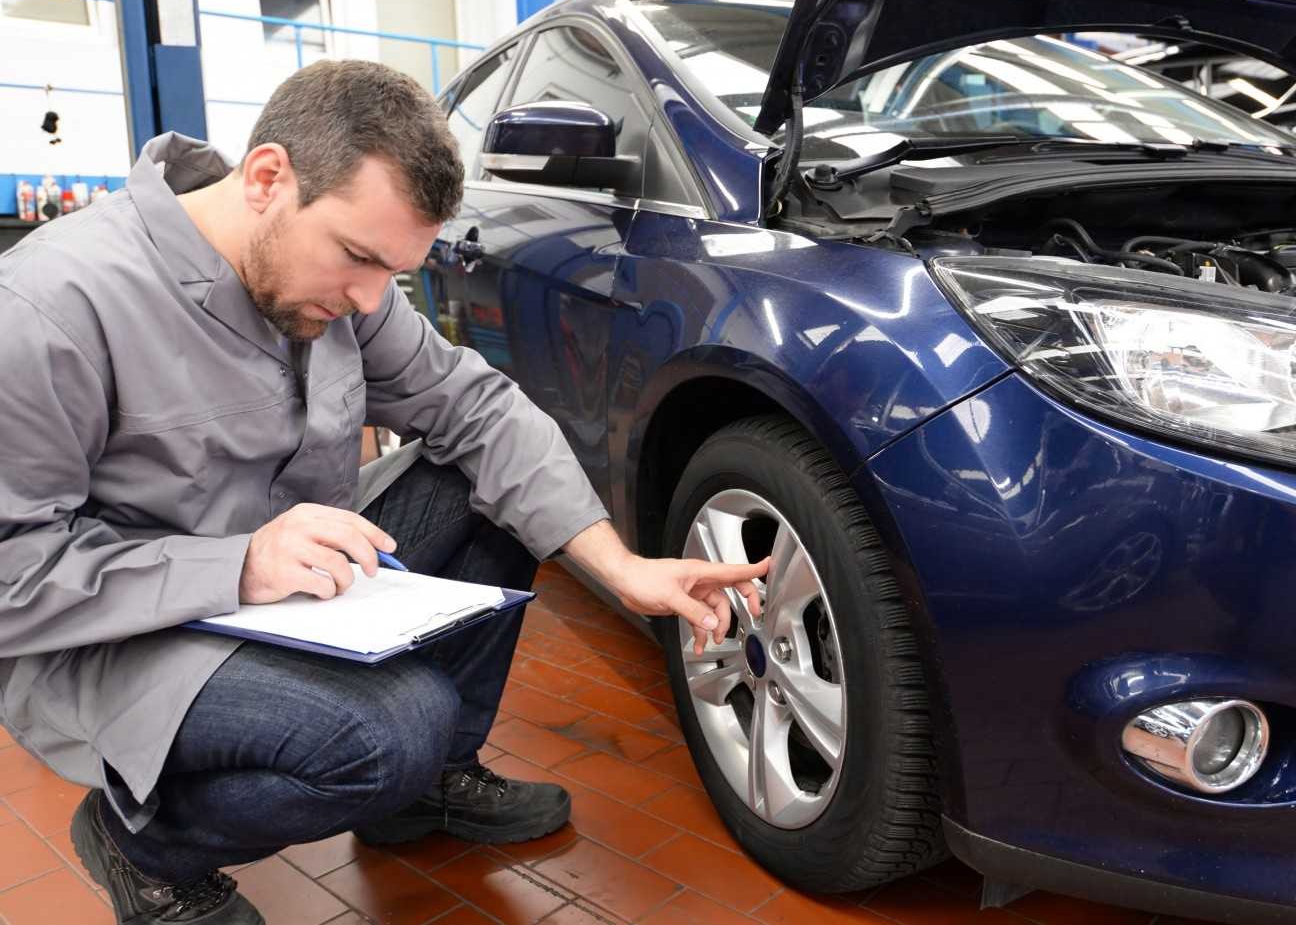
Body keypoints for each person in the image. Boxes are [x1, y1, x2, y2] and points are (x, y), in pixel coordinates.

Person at [0, 59, 768, 925]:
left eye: (393, 272)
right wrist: (237, 564)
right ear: (267, 179)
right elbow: (12, 574)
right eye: (359, 258)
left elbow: (479, 408)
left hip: (280, 579)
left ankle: (424, 790)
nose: (371, 300)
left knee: (490, 477)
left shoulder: (342, 288)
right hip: (118, 632)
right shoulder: (52, 305)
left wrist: (620, 567)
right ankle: (146, 847)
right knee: (397, 728)